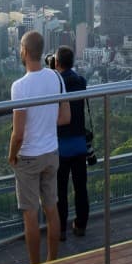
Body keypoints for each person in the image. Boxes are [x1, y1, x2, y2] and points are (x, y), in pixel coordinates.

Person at [9, 30, 71, 264]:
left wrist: (11, 155)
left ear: (24, 52)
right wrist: (45, 120)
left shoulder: (19, 87)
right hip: (51, 153)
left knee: (30, 214)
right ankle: (52, 262)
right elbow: (65, 117)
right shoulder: (56, 78)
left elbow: (18, 134)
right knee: (51, 208)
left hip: (28, 156)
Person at [54, 46, 90, 241]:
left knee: (60, 189)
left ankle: (60, 229)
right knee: (80, 187)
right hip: (79, 143)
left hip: (60, 145)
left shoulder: (56, 84)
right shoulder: (80, 81)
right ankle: (81, 224)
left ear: (57, 62)